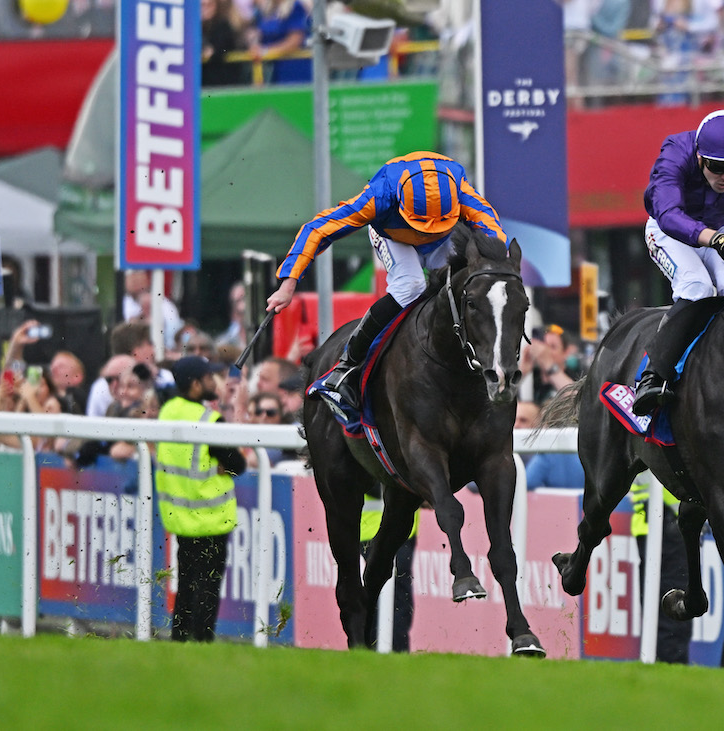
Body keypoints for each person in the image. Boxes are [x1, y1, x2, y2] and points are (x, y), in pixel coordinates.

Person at [266, 151, 507, 412]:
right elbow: (320, 228)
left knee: (458, 288)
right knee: (412, 285)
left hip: (446, 237)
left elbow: (493, 233)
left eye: (432, 225)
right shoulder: (380, 195)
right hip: (394, 238)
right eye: (420, 224)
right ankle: (348, 366)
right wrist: (288, 283)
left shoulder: (459, 187)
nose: (424, 234)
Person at [634, 109, 724, 415]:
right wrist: (713, 239)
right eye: (717, 168)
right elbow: (667, 213)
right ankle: (653, 375)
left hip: (720, 228)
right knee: (698, 286)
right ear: (700, 157)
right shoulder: (676, 152)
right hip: (669, 232)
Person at [156, 356, 247, 642]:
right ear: (196, 384)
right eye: (209, 378)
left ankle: (180, 639)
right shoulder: (209, 419)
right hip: (210, 518)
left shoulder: (168, 410)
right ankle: (202, 641)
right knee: (207, 587)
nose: (214, 383)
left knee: (186, 585)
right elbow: (239, 464)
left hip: (180, 517)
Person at [630, 470, 691, 664]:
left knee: (659, 607)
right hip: (667, 517)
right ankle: (671, 667)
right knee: (673, 605)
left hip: (655, 518)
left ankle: (662, 663)